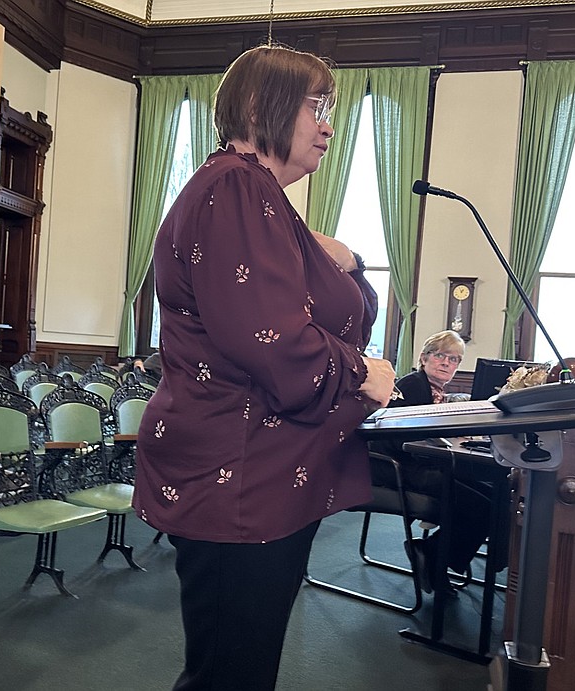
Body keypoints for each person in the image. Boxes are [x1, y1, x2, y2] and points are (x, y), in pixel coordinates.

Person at [132, 45, 396, 690]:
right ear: (258, 106)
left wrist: (346, 256)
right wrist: (363, 373)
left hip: (258, 472)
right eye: (316, 107)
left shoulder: (256, 197)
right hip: (238, 476)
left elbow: (296, 313)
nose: (327, 125)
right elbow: (276, 345)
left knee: (238, 671)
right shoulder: (236, 186)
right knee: (230, 677)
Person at [369, 330, 502, 595]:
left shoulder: (435, 393)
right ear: (424, 358)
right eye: (439, 355)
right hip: (396, 468)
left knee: (493, 494)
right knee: (480, 505)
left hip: (419, 464)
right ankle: (432, 556)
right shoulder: (413, 385)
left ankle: (434, 555)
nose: (446, 363)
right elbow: (401, 439)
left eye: (453, 359)